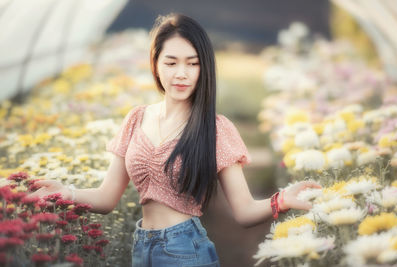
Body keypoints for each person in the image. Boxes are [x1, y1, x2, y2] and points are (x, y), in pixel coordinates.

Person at [29, 13, 321, 267]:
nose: (181, 74)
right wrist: (66, 192)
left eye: (192, 64)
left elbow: (243, 211)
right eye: (171, 63)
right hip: (141, 247)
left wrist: (282, 199)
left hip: (186, 251)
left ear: (203, 68)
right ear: (156, 64)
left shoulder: (215, 128)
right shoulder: (137, 118)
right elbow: (107, 198)